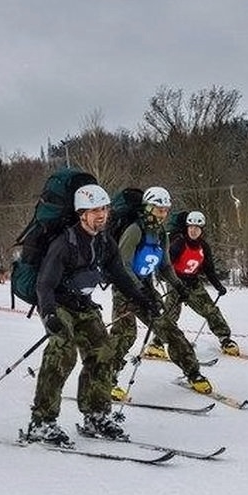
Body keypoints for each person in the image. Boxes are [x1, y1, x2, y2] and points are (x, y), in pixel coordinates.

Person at [25, 184, 161, 446]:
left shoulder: (103, 240)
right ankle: (42, 422)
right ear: (81, 214)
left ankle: (96, 415)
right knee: (62, 353)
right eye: (95, 210)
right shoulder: (65, 243)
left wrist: (143, 300)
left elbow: (120, 275)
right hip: (58, 305)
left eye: (105, 209)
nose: (102, 215)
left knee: (104, 352)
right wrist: (50, 315)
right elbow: (44, 285)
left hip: (83, 305)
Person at [108, 186, 212, 400]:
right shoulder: (135, 230)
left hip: (146, 289)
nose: (162, 214)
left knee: (170, 330)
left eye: (165, 210)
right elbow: (123, 265)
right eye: (158, 209)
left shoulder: (160, 236)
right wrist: (138, 293)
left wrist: (178, 286)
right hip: (125, 290)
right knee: (124, 337)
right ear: (148, 208)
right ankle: (106, 380)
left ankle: (193, 373)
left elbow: (164, 266)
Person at [144, 210, 240, 358]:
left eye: (197, 228)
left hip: (193, 283)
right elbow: (165, 265)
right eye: (191, 227)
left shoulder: (204, 247)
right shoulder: (179, 244)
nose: (193, 230)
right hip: (176, 283)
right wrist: (168, 280)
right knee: (171, 314)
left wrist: (218, 286)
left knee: (210, 310)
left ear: (201, 230)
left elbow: (209, 270)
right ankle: (156, 343)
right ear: (187, 228)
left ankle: (225, 339)